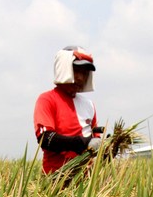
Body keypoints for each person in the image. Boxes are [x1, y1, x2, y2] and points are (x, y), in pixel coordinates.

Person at [34, 45, 103, 174]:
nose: (81, 78)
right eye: (76, 71)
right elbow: (45, 138)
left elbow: (95, 141)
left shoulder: (89, 105)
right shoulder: (47, 99)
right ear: (64, 69)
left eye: (84, 73)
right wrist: (82, 143)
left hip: (85, 180)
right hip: (56, 179)